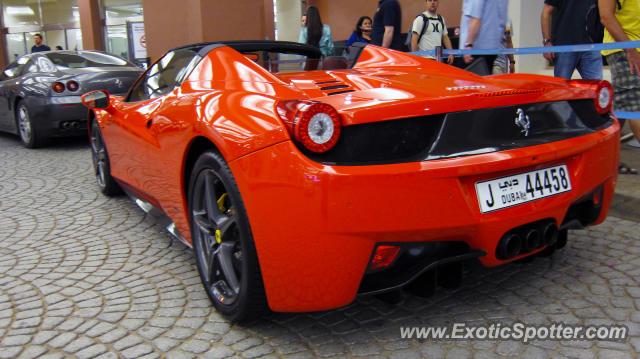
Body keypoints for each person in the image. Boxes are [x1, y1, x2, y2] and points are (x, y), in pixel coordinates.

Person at [600, 0, 640, 175]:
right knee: (635, 106)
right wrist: (630, 51)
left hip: (633, 49)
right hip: (626, 51)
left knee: (620, 108)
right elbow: (606, 16)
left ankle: (605, 160)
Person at [541, 0, 603, 80]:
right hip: (565, 46)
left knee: (596, 88)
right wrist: (547, 42)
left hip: (591, 45)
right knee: (561, 87)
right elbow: (546, 12)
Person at [459, 0, 508, 74]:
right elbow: (503, 20)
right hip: (492, 49)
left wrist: (468, 45)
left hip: (475, 50)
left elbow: (475, 18)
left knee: (471, 83)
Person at [410, 0, 454, 64]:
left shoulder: (441, 19)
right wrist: (416, 59)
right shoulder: (420, 19)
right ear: (426, 3)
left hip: (438, 59)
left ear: (438, 3)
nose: (432, 2)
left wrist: (451, 53)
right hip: (425, 59)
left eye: (435, 0)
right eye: (430, 0)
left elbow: (445, 38)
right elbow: (414, 40)